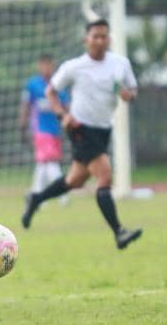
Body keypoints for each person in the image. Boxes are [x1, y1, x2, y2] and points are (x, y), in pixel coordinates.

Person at [20, 20, 142, 250]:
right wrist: (62, 116)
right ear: (86, 40)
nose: (100, 40)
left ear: (109, 39)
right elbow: (51, 92)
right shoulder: (74, 66)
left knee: (74, 180)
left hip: (104, 128)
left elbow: (132, 90)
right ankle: (119, 232)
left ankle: (35, 198)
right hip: (80, 128)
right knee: (105, 176)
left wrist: (129, 95)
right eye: (95, 36)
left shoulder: (120, 64)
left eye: (104, 36)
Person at [19, 54, 67, 200]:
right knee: (47, 162)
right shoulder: (32, 85)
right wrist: (22, 124)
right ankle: (53, 194)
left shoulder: (57, 85)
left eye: (49, 65)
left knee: (45, 164)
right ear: (39, 66)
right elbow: (26, 105)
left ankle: (42, 194)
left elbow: (65, 106)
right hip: (40, 130)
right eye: (43, 65)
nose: (46, 68)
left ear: (53, 66)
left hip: (55, 130)